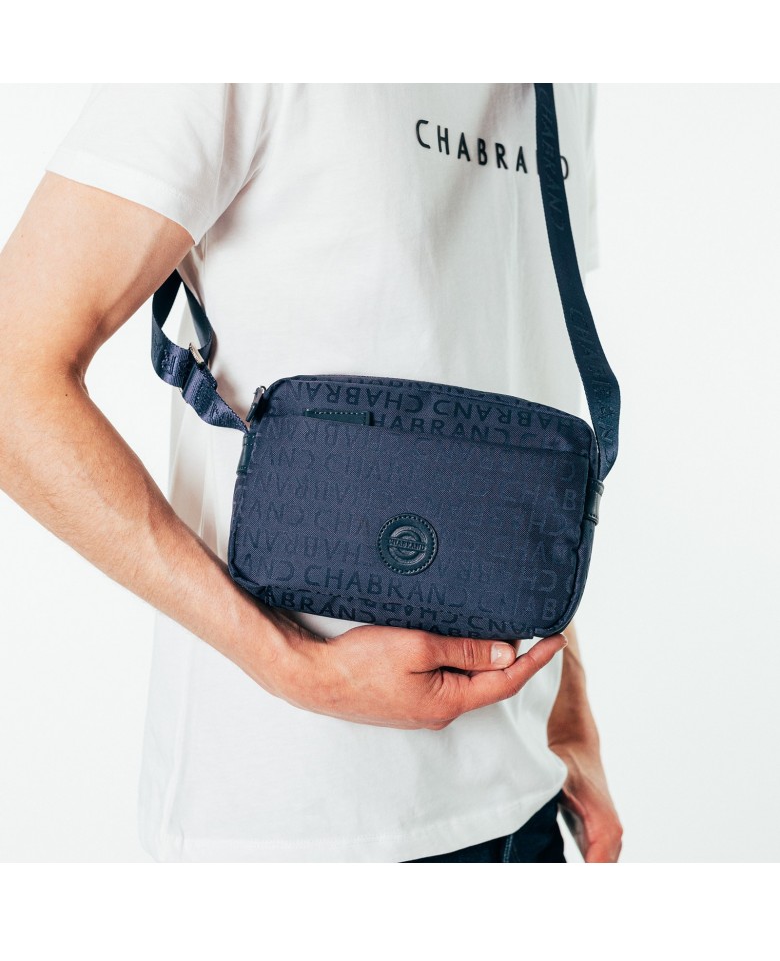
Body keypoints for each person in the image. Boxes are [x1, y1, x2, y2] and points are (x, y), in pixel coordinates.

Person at [0, 83, 622, 863]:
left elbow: (510, 381)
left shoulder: (560, 80)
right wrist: (298, 669)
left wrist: (568, 714)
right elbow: (13, 379)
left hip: (519, 802)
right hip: (287, 822)